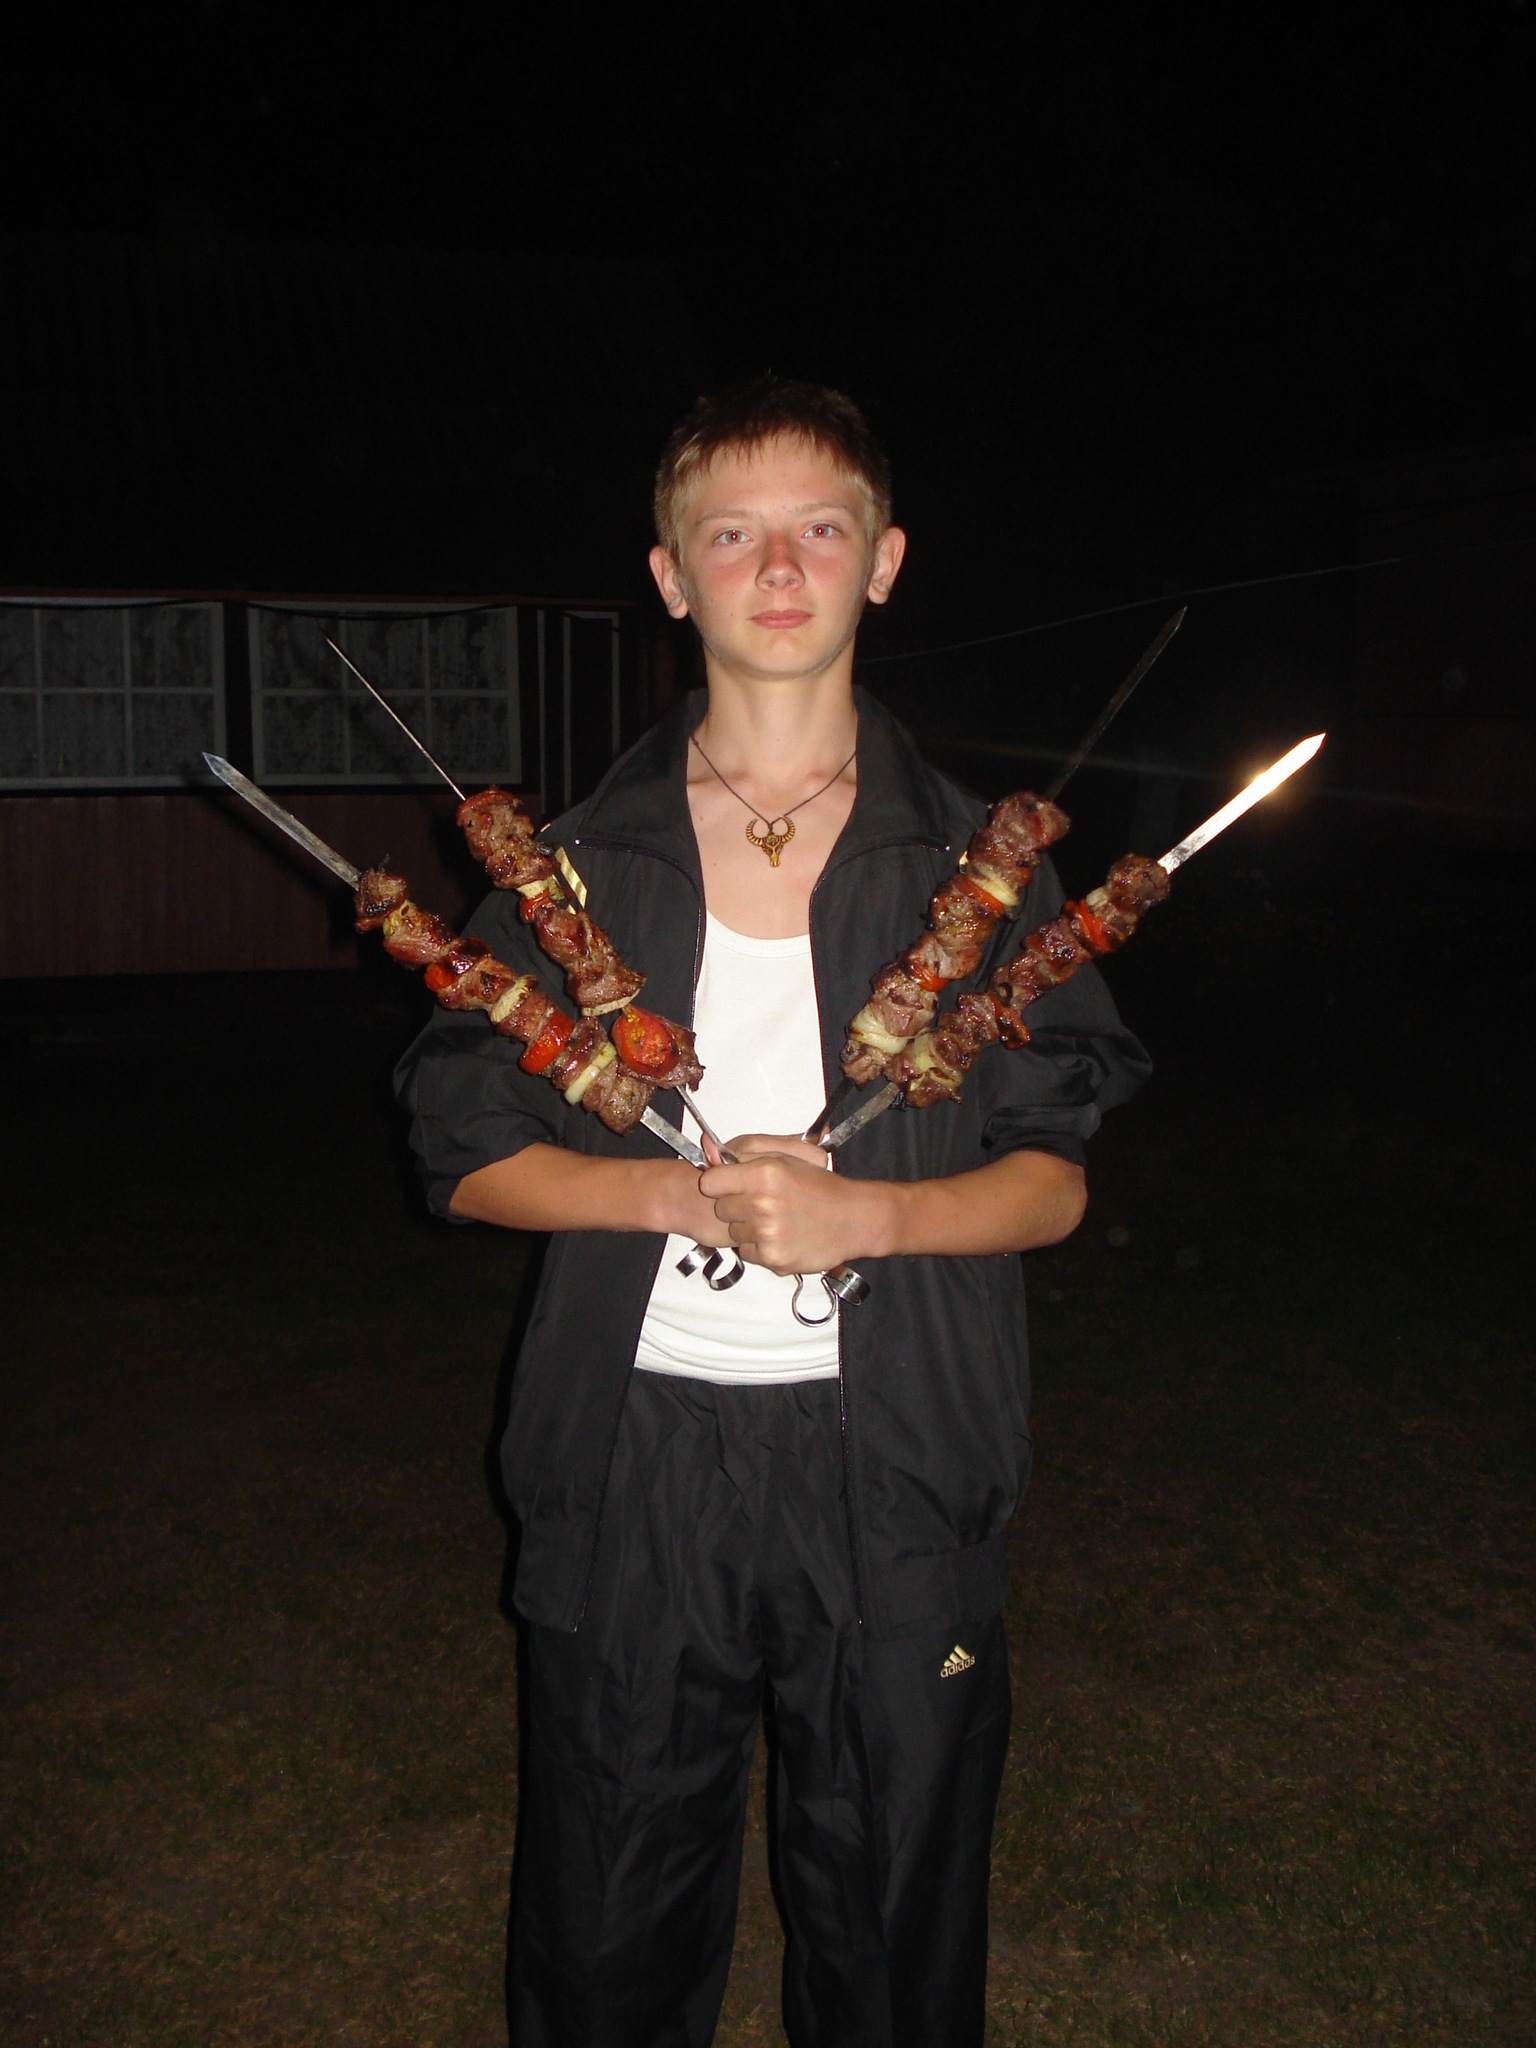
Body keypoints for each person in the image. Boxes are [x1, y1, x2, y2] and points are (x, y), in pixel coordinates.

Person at [395, 377, 1149, 2047]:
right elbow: (462, 1152)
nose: (782, 567)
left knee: (891, 1924)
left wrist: (870, 1222)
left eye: (821, 528)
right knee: (605, 1929)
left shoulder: (979, 876)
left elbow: (1053, 1181)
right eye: (732, 535)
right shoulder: (572, 872)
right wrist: (667, 1191)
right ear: (673, 578)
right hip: (632, 1460)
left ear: (886, 560)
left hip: (900, 1462)